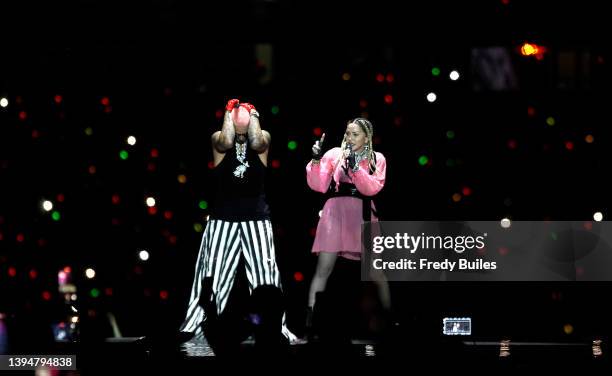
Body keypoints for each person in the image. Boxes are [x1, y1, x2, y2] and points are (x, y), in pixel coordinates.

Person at [180, 98, 296, 353]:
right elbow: (226, 141)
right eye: (237, 118)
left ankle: (274, 326)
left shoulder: (262, 137)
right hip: (223, 218)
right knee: (215, 275)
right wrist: (228, 114)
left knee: (266, 276)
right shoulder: (218, 138)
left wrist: (253, 114)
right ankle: (203, 325)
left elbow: (256, 141)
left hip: (257, 217)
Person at [305, 117, 391, 337]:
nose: (349, 138)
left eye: (355, 134)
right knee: (324, 268)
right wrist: (316, 160)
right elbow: (319, 185)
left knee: (375, 271)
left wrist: (356, 169)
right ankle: (311, 319)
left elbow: (372, 188)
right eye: (347, 133)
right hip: (335, 212)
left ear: (366, 137)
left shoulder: (376, 158)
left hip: (362, 213)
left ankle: (389, 320)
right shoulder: (335, 154)